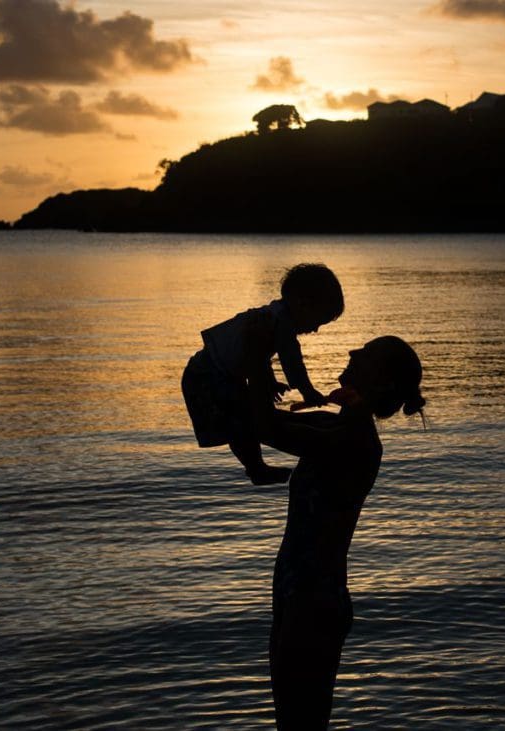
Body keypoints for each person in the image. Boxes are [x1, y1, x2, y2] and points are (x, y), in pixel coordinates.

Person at [258, 336, 425, 730]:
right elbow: (269, 421)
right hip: (295, 592)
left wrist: (246, 371)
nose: (352, 353)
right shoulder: (337, 424)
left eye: (365, 354)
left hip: (313, 602)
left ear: (381, 381)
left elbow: (268, 429)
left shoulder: (352, 440)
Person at [181, 263, 344, 485]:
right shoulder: (280, 324)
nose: (315, 329)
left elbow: (256, 356)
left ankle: (255, 468)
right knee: (238, 422)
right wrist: (307, 391)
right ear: (302, 304)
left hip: (211, 373)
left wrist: (269, 382)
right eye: (317, 321)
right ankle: (256, 468)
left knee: (240, 421)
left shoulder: (272, 318)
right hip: (207, 376)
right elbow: (291, 361)